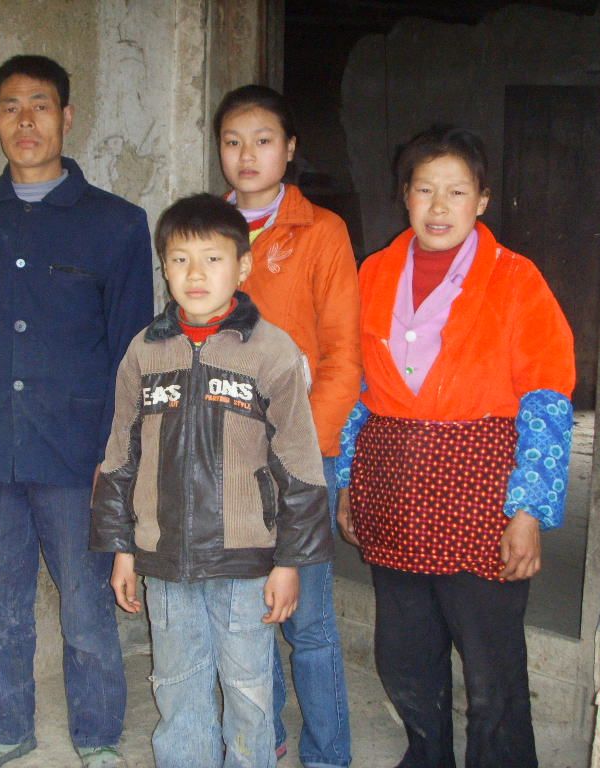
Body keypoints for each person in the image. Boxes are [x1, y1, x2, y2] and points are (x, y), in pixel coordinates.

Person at [0, 54, 153, 768]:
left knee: (86, 609)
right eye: (12, 107)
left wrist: (120, 457)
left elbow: (132, 350)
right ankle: (6, 727)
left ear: (66, 117)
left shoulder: (116, 223)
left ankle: (98, 736)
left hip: (78, 454)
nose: (26, 121)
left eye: (41, 105)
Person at [335, 125, 575, 768]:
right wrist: (347, 482)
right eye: (424, 190)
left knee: (491, 662)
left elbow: (548, 401)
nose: (439, 207)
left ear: (482, 200)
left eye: (457, 191)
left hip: (481, 495)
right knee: (405, 654)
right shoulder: (375, 273)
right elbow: (358, 390)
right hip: (392, 490)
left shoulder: (516, 279)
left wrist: (528, 510)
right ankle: (427, 755)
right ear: (404, 196)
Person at [91, 193, 335, 768]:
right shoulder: (144, 352)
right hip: (164, 558)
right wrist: (122, 549)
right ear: (164, 268)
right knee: (177, 687)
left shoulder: (271, 351)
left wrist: (290, 561)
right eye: (179, 260)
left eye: (213, 259)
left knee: (249, 691)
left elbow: (300, 465)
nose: (195, 274)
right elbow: (120, 455)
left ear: (243, 266)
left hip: (245, 563)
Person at [213, 84, 359, 768]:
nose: (247, 155)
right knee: (249, 613)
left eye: (263, 140)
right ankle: (263, 738)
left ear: (290, 148)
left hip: (300, 453)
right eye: (233, 141)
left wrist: (306, 456)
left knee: (310, 620)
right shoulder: (206, 228)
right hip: (225, 452)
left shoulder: (321, 232)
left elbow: (343, 356)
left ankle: (328, 754)